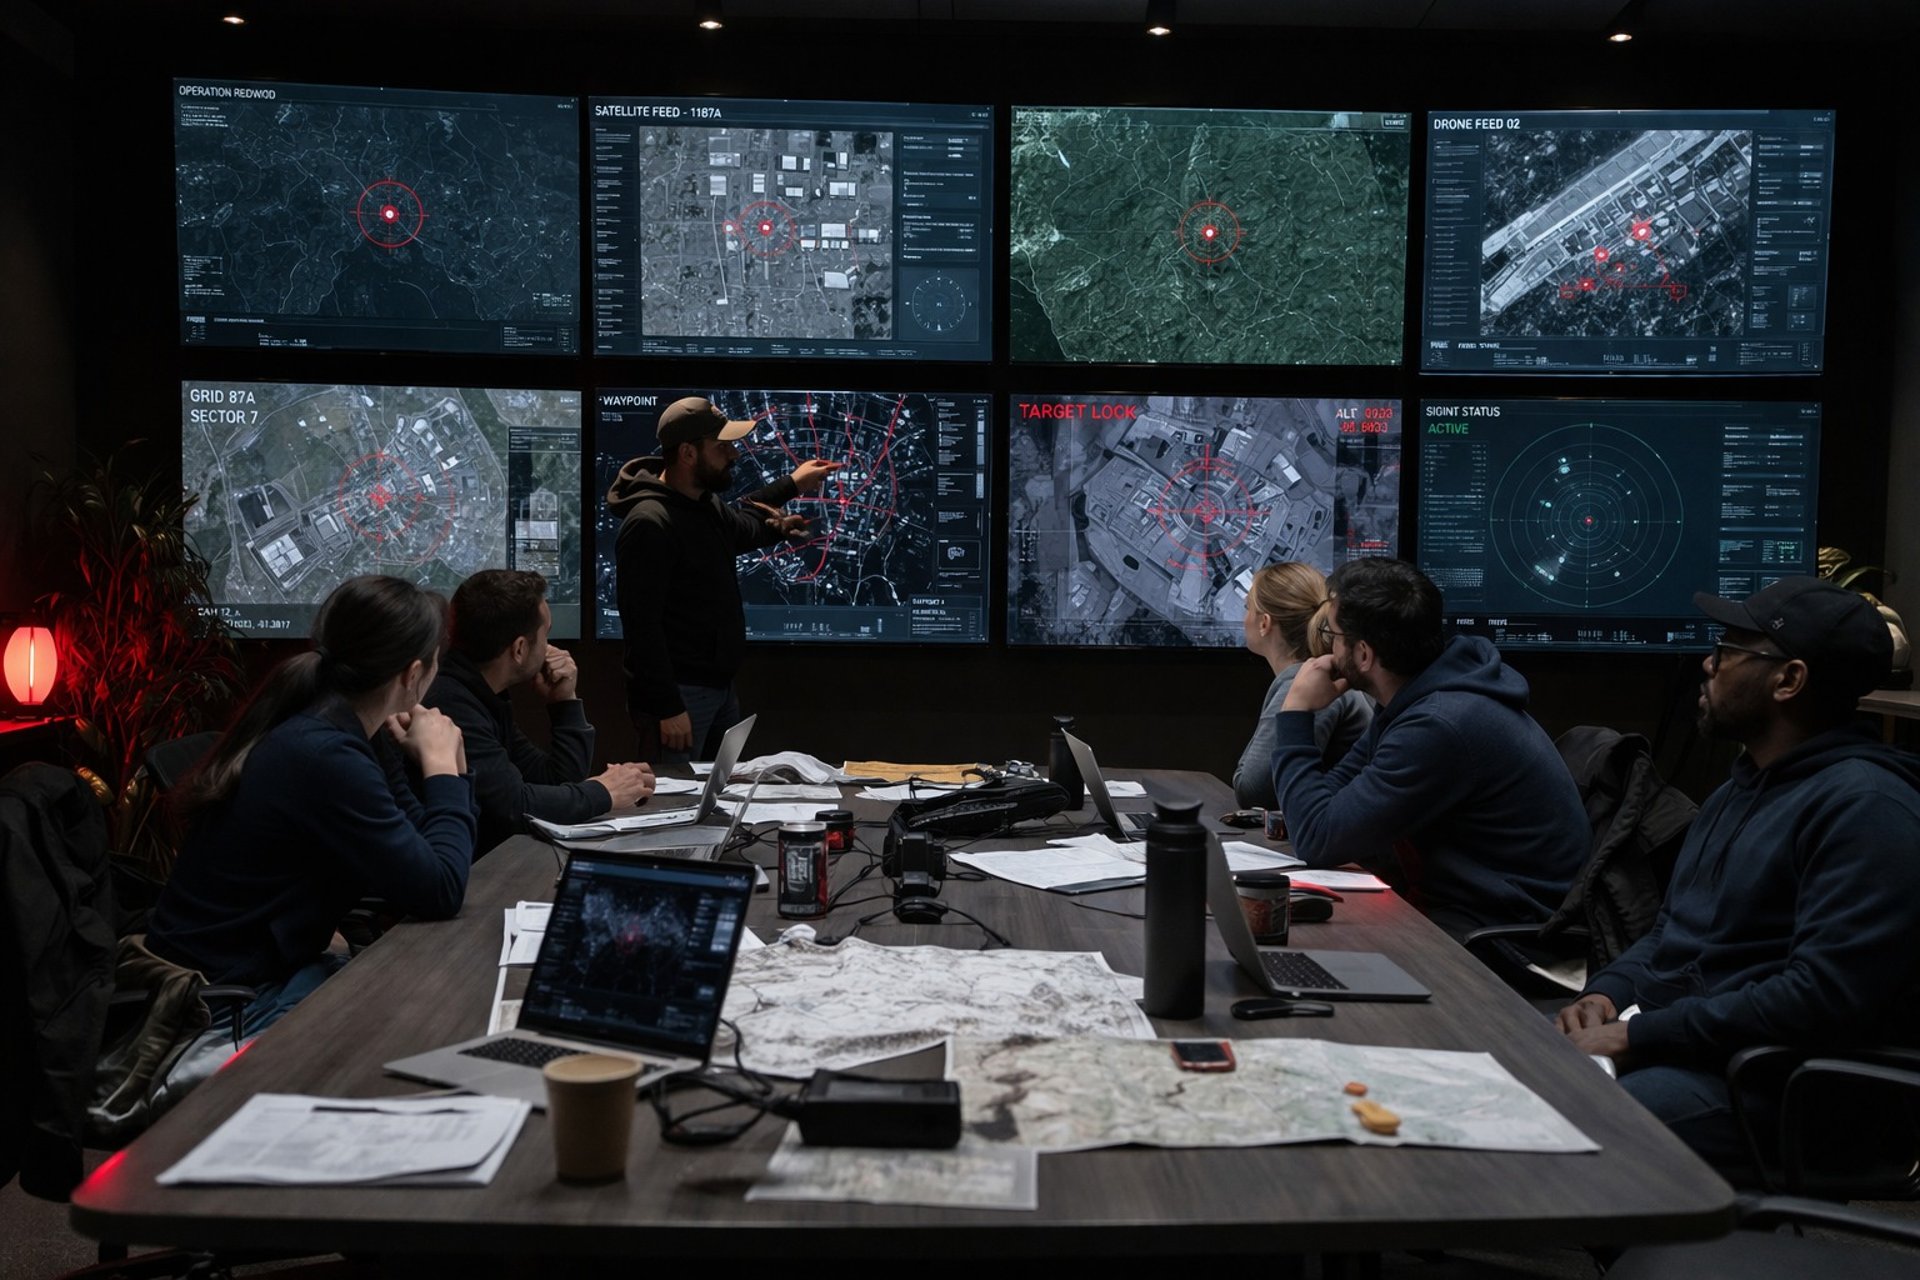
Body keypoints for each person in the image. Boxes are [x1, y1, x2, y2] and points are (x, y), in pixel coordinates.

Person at [1557, 577, 1920, 1168]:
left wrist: (1637, 1035)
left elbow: (1820, 1000)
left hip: (1792, 1087)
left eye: (1729, 651)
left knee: (1577, 1111)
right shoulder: (1741, 786)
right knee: (1511, 1054)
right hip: (1702, 1050)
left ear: (1788, 680)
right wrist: (1607, 994)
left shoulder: (1868, 810)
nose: (1709, 663)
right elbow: (1671, 931)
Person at [147, 575, 477, 1030]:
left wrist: (442, 769)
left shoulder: (333, 725)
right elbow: (440, 891)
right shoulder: (325, 755)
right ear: (414, 674)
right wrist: (442, 767)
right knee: (435, 1014)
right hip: (226, 1003)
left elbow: (428, 854)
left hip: (247, 974)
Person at [1271, 558, 1587, 939]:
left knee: (1307, 943)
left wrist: (1295, 713)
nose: (1328, 648)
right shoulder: (1419, 698)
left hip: (1506, 935)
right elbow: (1332, 800)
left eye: (1333, 634)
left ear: (1364, 655)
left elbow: (1317, 838)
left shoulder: (1439, 724)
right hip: (1462, 910)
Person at [608, 396, 839, 763]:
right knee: (673, 805)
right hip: (679, 699)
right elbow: (641, 627)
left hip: (717, 691)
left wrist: (793, 483)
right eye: (722, 447)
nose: (733, 455)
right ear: (687, 453)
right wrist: (667, 706)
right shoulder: (650, 524)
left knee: (716, 798)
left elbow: (746, 525)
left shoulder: (702, 504)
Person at [425, 569, 655, 854]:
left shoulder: (480, 694)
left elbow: (555, 778)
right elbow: (514, 806)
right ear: (519, 648)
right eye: (546, 635)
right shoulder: (451, 703)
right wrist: (605, 792)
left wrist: (564, 702)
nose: (551, 648)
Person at [1232, 562, 1372, 809]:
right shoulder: (1318, 674)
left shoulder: (1306, 682)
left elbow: (1253, 791)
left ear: (1264, 623)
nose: (1244, 619)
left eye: (1247, 609)